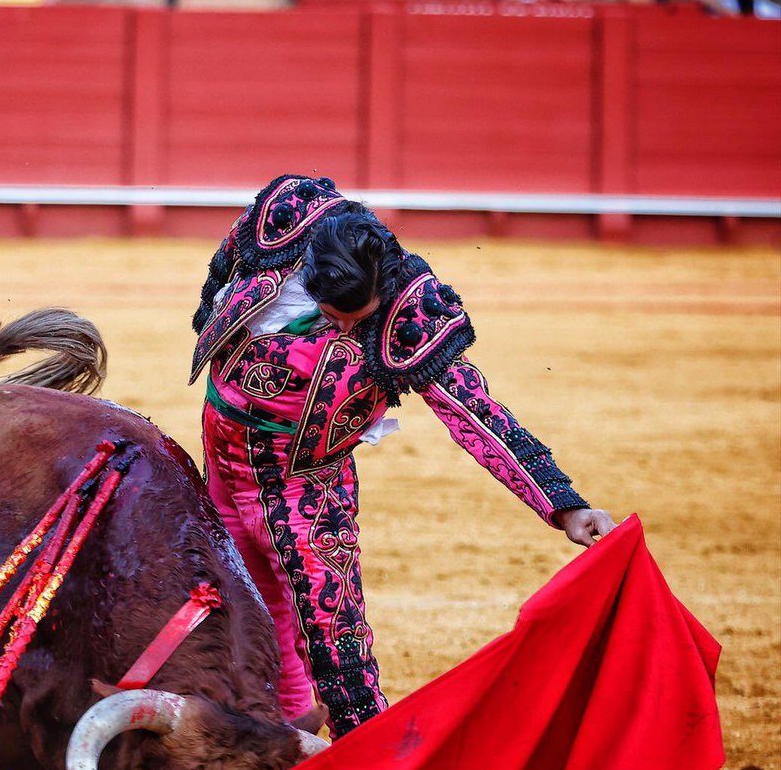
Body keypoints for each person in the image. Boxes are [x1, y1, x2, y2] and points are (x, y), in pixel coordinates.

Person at [191, 174, 616, 740]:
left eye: (356, 319)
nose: (343, 327)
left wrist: (563, 505)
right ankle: (277, 739)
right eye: (332, 313)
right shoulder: (286, 215)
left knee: (339, 658)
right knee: (242, 608)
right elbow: (221, 274)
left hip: (302, 486)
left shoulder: (411, 306)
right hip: (221, 457)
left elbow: (473, 411)